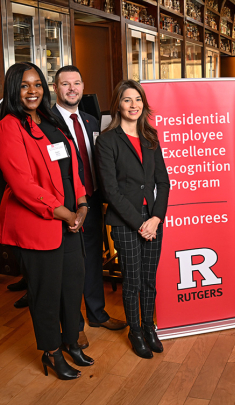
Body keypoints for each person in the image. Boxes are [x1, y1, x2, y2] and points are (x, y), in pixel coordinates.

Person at [0, 62, 93, 379]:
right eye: (25, 85)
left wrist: (81, 202)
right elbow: (22, 184)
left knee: (72, 286)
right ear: (14, 89)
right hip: (41, 225)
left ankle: (71, 342)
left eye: (37, 84)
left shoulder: (51, 120)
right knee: (46, 294)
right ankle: (52, 352)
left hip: (71, 223)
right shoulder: (10, 126)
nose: (32, 91)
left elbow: (73, 164)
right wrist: (63, 212)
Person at [52, 65, 128, 349]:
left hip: (93, 199)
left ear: (83, 87)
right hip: (64, 206)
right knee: (70, 266)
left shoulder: (91, 120)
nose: (72, 88)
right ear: (56, 88)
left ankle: (97, 313)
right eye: (65, 84)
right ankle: (74, 326)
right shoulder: (48, 123)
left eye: (77, 83)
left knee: (94, 258)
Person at [95, 80, 170, 358]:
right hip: (125, 220)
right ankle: (135, 331)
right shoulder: (107, 140)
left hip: (152, 218)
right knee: (133, 280)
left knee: (150, 279)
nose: (133, 105)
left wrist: (156, 218)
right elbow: (110, 190)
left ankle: (149, 327)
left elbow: (163, 183)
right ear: (118, 104)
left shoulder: (150, 137)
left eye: (137, 99)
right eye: (127, 100)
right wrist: (139, 224)